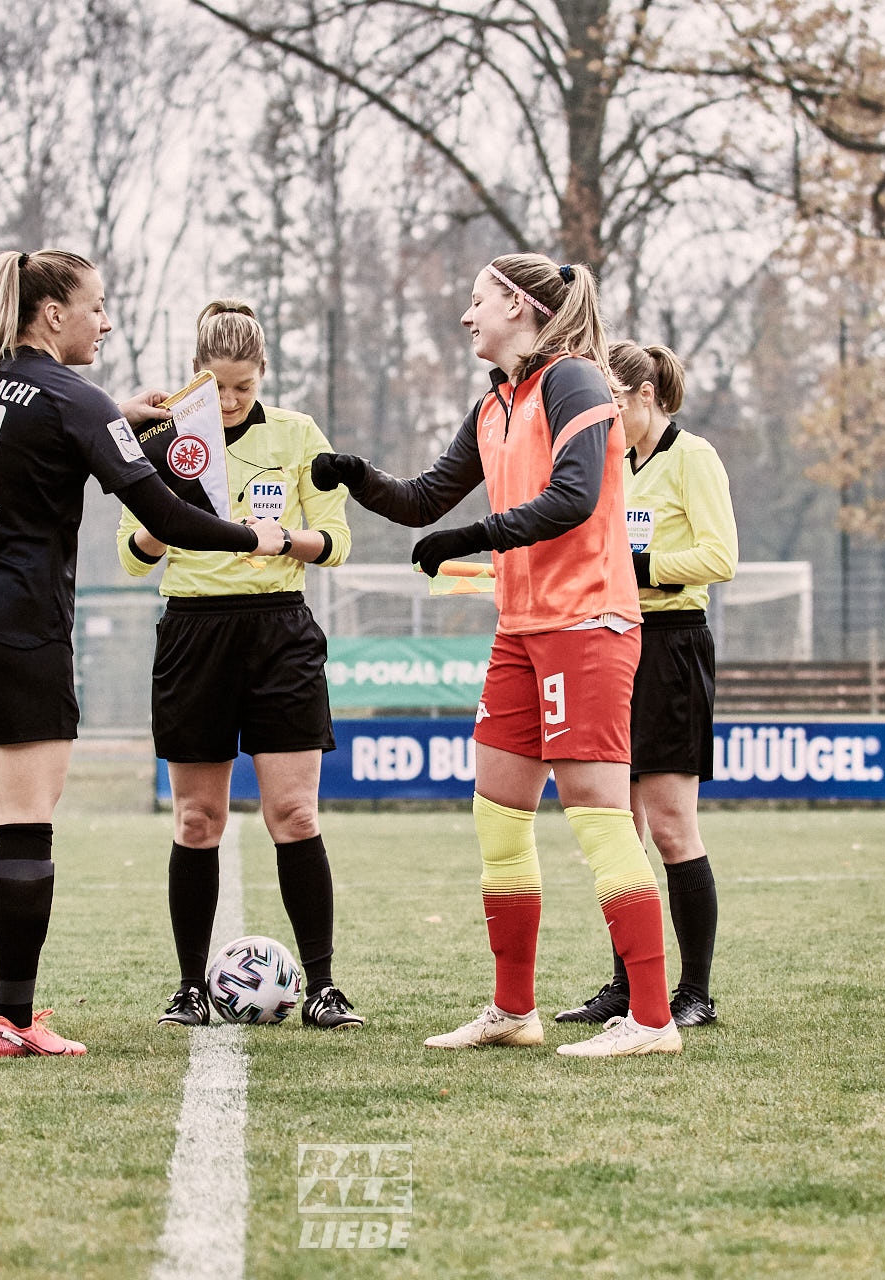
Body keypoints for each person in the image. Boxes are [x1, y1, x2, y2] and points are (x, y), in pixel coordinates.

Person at [0, 250, 287, 1057]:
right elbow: (167, 516)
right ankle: (12, 1022)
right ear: (53, 314)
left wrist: (113, 417)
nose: (104, 321)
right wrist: (252, 536)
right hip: (19, 636)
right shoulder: (77, 401)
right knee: (23, 833)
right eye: (96, 306)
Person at [312, 253, 680, 1057]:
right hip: (521, 629)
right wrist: (356, 475)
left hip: (588, 623)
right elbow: (422, 500)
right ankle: (514, 1011)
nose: (467, 315)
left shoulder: (574, 381)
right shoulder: (494, 403)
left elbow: (574, 497)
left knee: (598, 816)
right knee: (499, 814)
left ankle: (653, 1020)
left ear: (517, 305)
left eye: (477, 300)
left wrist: (475, 537)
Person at [116, 300, 362, 1031]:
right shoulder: (160, 436)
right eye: (217, 386)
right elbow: (131, 557)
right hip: (194, 633)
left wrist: (281, 539)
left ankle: (323, 988)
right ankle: (190, 988)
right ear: (196, 373)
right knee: (199, 818)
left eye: (243, 387)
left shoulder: (298, 434)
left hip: (279, 632)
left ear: (262, 376)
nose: (228, 401)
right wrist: (165, 520)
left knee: (295, 812)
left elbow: (336, 541)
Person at [555, 340, 738, 1030]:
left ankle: (694, 994)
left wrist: (643, 567)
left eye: (612, 403)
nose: (604, 418)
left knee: (669, 825)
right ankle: (628, 986)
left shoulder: (694, 458)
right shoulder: (612, 463)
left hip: (672, 647)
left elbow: (720, 556)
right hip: (613, 642)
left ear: (645, 395)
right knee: (618, 828)